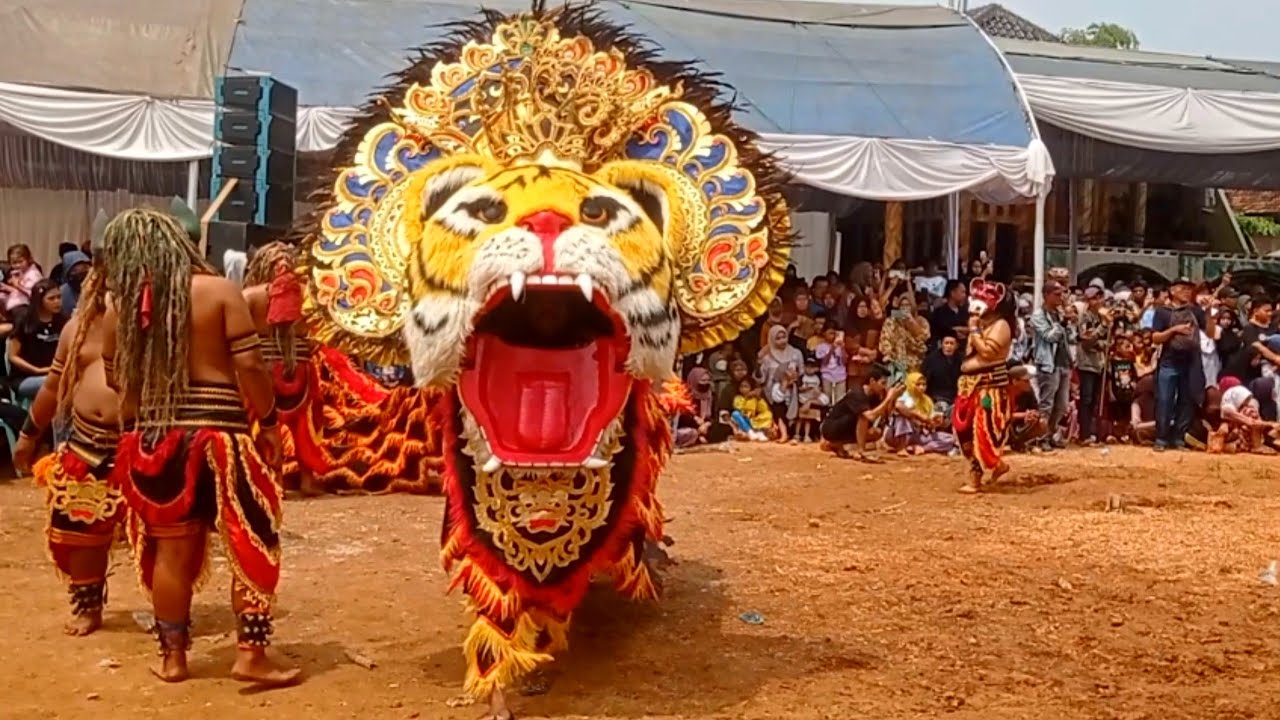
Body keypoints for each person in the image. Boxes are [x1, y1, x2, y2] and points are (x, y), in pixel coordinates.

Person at [96, 209, 299, 686]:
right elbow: (250, 367)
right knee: (252, 541)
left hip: (155, 440)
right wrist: (268, 422)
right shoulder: (218, 291)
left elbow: (116, 380)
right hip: (220, 438)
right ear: (190, 245)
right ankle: (250, 654)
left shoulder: (119, 307)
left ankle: (173, 658)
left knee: (172, 554)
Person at [12, 264, 123, 636]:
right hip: (88, 443)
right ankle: (88, 607)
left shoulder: (157, 328)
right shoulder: (75, 331)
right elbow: (51, 388)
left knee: (165, 536)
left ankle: (170, 618)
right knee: (81, 530)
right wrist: (29, 435)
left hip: (143, 441)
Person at [242, 242, 327, 496]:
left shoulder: (250, 296)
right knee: (306, 427)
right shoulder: (309, 294)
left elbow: (238, 336)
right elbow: (320, 335)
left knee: (262, 424)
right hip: (299, 370)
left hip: (263, 370)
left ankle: (272, 478)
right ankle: (307, 479)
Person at [953, 278, 1013, 493]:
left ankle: (976, 477)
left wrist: (974, 330)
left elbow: (988, 352)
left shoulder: (1001, 325)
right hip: (969, 385)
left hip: (989, 387)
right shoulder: (981, 325)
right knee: (963, 432)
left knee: (982, 432)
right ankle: (997, 465)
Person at [1150, 278, 1206, 451]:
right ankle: (1161, 438)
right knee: (1165, 400)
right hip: (1169, 361)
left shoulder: (1196, 311)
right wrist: (1174, 330)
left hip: (1191, 361)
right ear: (1172, 291)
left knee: (1186, 401)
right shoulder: (1162, 312)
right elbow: (1155, 338)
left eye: (1189, 289)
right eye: (1183, 289)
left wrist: (1209, 312)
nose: (1187, 292)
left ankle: (1179, 438)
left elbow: (1211, 332)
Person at [820, 363, 899, 462]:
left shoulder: (875, 395)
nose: (884, 387)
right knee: (864, 416)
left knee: (876, 433)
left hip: (849, 427)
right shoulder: (857, 394)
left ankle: (838, 445)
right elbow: (870, 416)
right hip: (832, 427)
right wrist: (888, 399)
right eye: (882, 383)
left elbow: (885, 415)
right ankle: (861, 451)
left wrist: (892, 399)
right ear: (872, 381)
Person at [1029, 280, 1072, 451]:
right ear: (1046, 295)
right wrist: (1062, 324)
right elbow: (1049, 336)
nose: (1060, 297)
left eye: (1062, 294)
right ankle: (1040, 437)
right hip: (1048, 364)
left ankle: (1050, 434)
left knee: (1061, 405)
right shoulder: (1038, 315)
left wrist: (1068, 325)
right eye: (1057, 294)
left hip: (1063, 363)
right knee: (1046, 404)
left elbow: (1070, 337)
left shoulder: (1059, 314)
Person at [7, 279, 66, 402]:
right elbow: (13, 356)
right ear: (39, 301)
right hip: (26, 378)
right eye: (51, 299)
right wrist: (37, 370)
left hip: (56, 373)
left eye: (59, 297)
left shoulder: (62, 321)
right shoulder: (24, 322)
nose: (57, 302)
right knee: (56, 383)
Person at [885, 371, 956, 455]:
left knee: (950, 439)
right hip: (897, 435)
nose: (922, 387)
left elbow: (930, 424)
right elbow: (898, 407)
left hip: (919, 434)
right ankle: (901, 447)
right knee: (902, 417)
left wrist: (935, 422)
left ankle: (920, 448)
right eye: (918, 384)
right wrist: (919, 416)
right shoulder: (905, 396)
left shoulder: (927, 400)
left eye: (924, 384)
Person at [1075, 287, 1111, 444]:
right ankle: (1084, 434)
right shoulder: (1084, 317)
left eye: (1099, 298)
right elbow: (1087, 343)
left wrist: (1103, 341)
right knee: (1087, 399)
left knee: (1098, 400)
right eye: (1092, 299)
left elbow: (1107, 342)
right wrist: (1102, 327)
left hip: (1100, 363)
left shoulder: (1104, 316)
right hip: (1087, 363)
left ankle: (1097, 433)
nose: (1096, 302)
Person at [1223, 296, 1277, 385]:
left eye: (1270, 311)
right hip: (1251, 375)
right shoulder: (1249, 328)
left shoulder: (1273, 328)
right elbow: (1258, 347)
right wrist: (1276, 358)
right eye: (1266, 311)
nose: (1269, 314)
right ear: (1256, 311)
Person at [922, 335, 962, 422]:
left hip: (955, 396)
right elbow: (925, 379)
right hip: (937, 396)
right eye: (946, 343)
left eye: (952, 343)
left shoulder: (960, 359)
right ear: (941, 344)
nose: (949, 346)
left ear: (956, 346)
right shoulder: (932, 359)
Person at [1, 243, 44, 312]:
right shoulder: (20, 272)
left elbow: (34, 295)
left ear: (28, 259)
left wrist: (17, 285)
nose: (17, 265)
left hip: (25, 308)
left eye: (20, 262)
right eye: (14, 262)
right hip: (16, 302)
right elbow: (18, 291)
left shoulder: (33, 274)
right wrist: (6, 287)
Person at [929, 280, 969, 349]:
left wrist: (959, 329)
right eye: (962, 292)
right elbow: (945, 330)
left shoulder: (964, 312)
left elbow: (972, 328)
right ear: (953, 293)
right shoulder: (939, 313)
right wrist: (955, 331)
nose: (964, 295)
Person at [58, 249, 92, 315]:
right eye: (77, 273)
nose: (82, 278)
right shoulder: (62, 293)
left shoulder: (97, 289)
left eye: (86, 270)